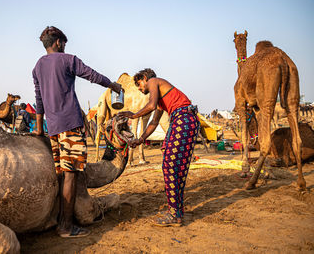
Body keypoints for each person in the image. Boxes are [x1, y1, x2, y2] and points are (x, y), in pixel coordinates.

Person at [32, 26, 122, 238]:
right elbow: (91, 75)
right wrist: (113, 85)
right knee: (71, 175)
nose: (64, 47)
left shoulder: (37, 67)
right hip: (70, 124)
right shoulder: (68, 59)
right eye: (64, 43)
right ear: (58, 43)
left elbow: (38, 99)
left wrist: (38, 128)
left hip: (52, 128)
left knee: (62, 175)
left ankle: (61, 220)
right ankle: (66, 226)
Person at [118, 68, 200, 227]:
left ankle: (173, 214)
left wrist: (133, 115)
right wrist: (140, 139)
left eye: (139, 84)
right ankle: (177, 211)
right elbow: (154, 122)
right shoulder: (163, 100)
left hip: (183, 118)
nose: (140, 88)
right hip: (184, 119)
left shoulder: (154, 81)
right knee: (177, 168)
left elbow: (151, 105)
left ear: (144, 77)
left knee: (169, 166)